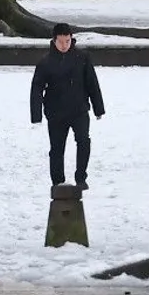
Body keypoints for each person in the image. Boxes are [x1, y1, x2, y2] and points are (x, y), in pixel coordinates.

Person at [30, 23, 105, 191]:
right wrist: (36, 115)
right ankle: (58, 182)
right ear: (54, 41)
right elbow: (37, 88)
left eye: (67, 41)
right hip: (56, 113)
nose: (64, 45)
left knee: (84, 142)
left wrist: (98, 108)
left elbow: (92, 83)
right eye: (61, 42)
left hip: (79, 110)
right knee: (56, 149)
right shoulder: (46, 62)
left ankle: (81, 177)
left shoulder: (82, 58)